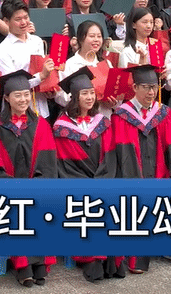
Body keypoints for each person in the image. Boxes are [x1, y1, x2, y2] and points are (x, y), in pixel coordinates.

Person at [0, 70, 58, 287]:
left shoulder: (41, 125)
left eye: (26, 94)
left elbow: (48, 161)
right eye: (18, 95)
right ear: (7, 98)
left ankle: (39, 264)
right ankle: (23, 267)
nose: (23, 99)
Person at [51, 68, 121, 281]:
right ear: (74, 97)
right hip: (76, 183)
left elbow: (110, 155)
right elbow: (64, 163)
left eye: (92, 93)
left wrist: (102, 179)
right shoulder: (62, 127)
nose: (90, 97)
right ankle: (92, 260)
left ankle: (108, 259)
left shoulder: (102, 122)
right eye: (84, 94)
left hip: (103, 179)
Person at [105, 64, 171, 273]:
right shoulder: (121, 115)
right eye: (146, 87)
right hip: (133, 173)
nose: (151, 92)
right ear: (134, 87)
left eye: (154, 87)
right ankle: (137, 257)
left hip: (158, 170)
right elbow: (119, 151)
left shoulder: (162, 112)